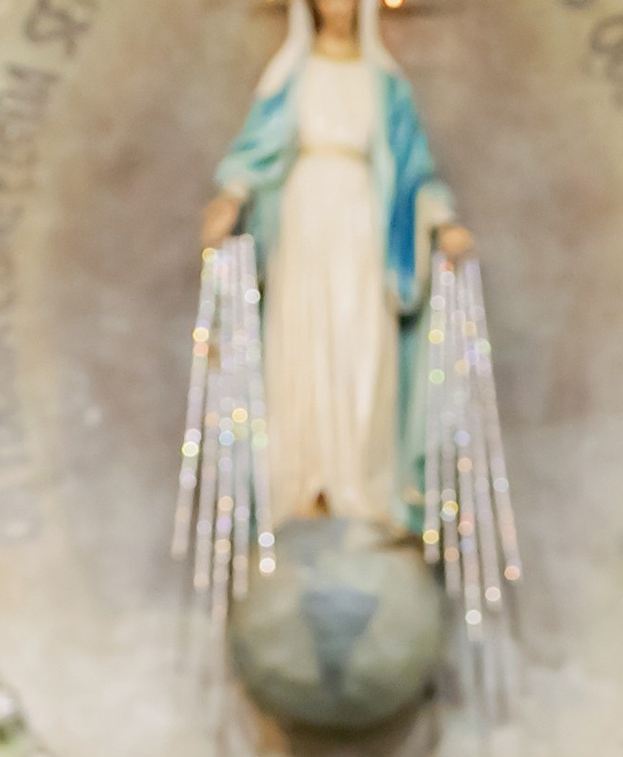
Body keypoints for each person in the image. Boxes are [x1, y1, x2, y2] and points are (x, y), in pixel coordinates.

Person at [200, 0, 471, 535]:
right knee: (301, 340)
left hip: (364, 225)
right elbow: (258, 148)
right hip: (303, 222)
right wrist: (230, 196)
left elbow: (413, 167)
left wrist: (443, 222)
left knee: (363, 345)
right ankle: (303, 485)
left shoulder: (385, 83)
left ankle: (364, 489)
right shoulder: (291, 74)